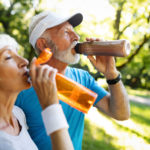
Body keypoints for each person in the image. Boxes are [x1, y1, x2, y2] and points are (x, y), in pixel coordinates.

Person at [16, 11, 130, 150]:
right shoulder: (21, 86)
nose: (76, 37)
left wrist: (111, 74)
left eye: (74, 31)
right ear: (44, 44)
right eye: (66, 32)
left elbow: (120, 113)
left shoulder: (82, 79)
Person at [0, 34, 74, 150]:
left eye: (18, 54)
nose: (24, 61)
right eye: (8, 57)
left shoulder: (19, 115)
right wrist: (51, 106)